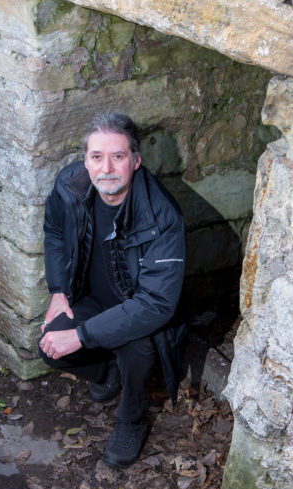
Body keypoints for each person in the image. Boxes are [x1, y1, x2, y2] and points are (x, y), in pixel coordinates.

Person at [39, 111, 187, 468]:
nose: (106, 168)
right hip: (94, 300)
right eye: (96, 157)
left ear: (135, 161)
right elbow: (56, 233)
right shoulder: (70, 185)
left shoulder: (162, 217)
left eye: (118, 157)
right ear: (85, 160)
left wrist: (82, 335)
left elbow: (155, 304)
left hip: (139, 308)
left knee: (138, 350)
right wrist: (59, 292)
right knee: (49, 349)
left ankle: (132, 418)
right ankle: (109, 369)